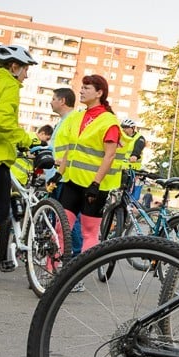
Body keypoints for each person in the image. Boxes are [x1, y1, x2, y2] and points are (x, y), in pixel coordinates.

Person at [56, 74, 124, 253]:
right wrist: (59, 174)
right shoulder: (77, 117)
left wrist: (96, 183)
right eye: (82, 87)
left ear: (99, 93)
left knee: (89, 232)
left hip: (93, 186)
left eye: (87, 88)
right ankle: (52, 272)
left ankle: (82, 274)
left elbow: (109, 156)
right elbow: (71, 149)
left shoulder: (109, 121)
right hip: (72, 181)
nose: (81, 91)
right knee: (61, 228)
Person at [0, 44, 40, 271]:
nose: (26, 75)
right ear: (14, 67)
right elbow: (3, 122)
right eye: (25, 69)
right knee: (1, 212)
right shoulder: (8, 84)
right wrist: (26, 140)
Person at [47, 88, 83, 255]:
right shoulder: (63, 121)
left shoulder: (74, 119)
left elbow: (72, 147)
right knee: (59, 220)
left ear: (62, 101)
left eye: (53, 98)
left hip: (65, 176)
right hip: (57, 176)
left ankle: (75, 256)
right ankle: (60, 255)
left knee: (68, 220)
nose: (51, 101)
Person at [119, 119, 146, 201]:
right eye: (123, 127)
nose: (124, 129)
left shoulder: (139, 138)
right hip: (119, 166)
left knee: (126, 190)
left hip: (131, 168)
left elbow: (138, 148)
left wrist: (134, 155)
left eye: (126, 128)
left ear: (132, 128)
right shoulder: (121, 137)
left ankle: (126, 205)